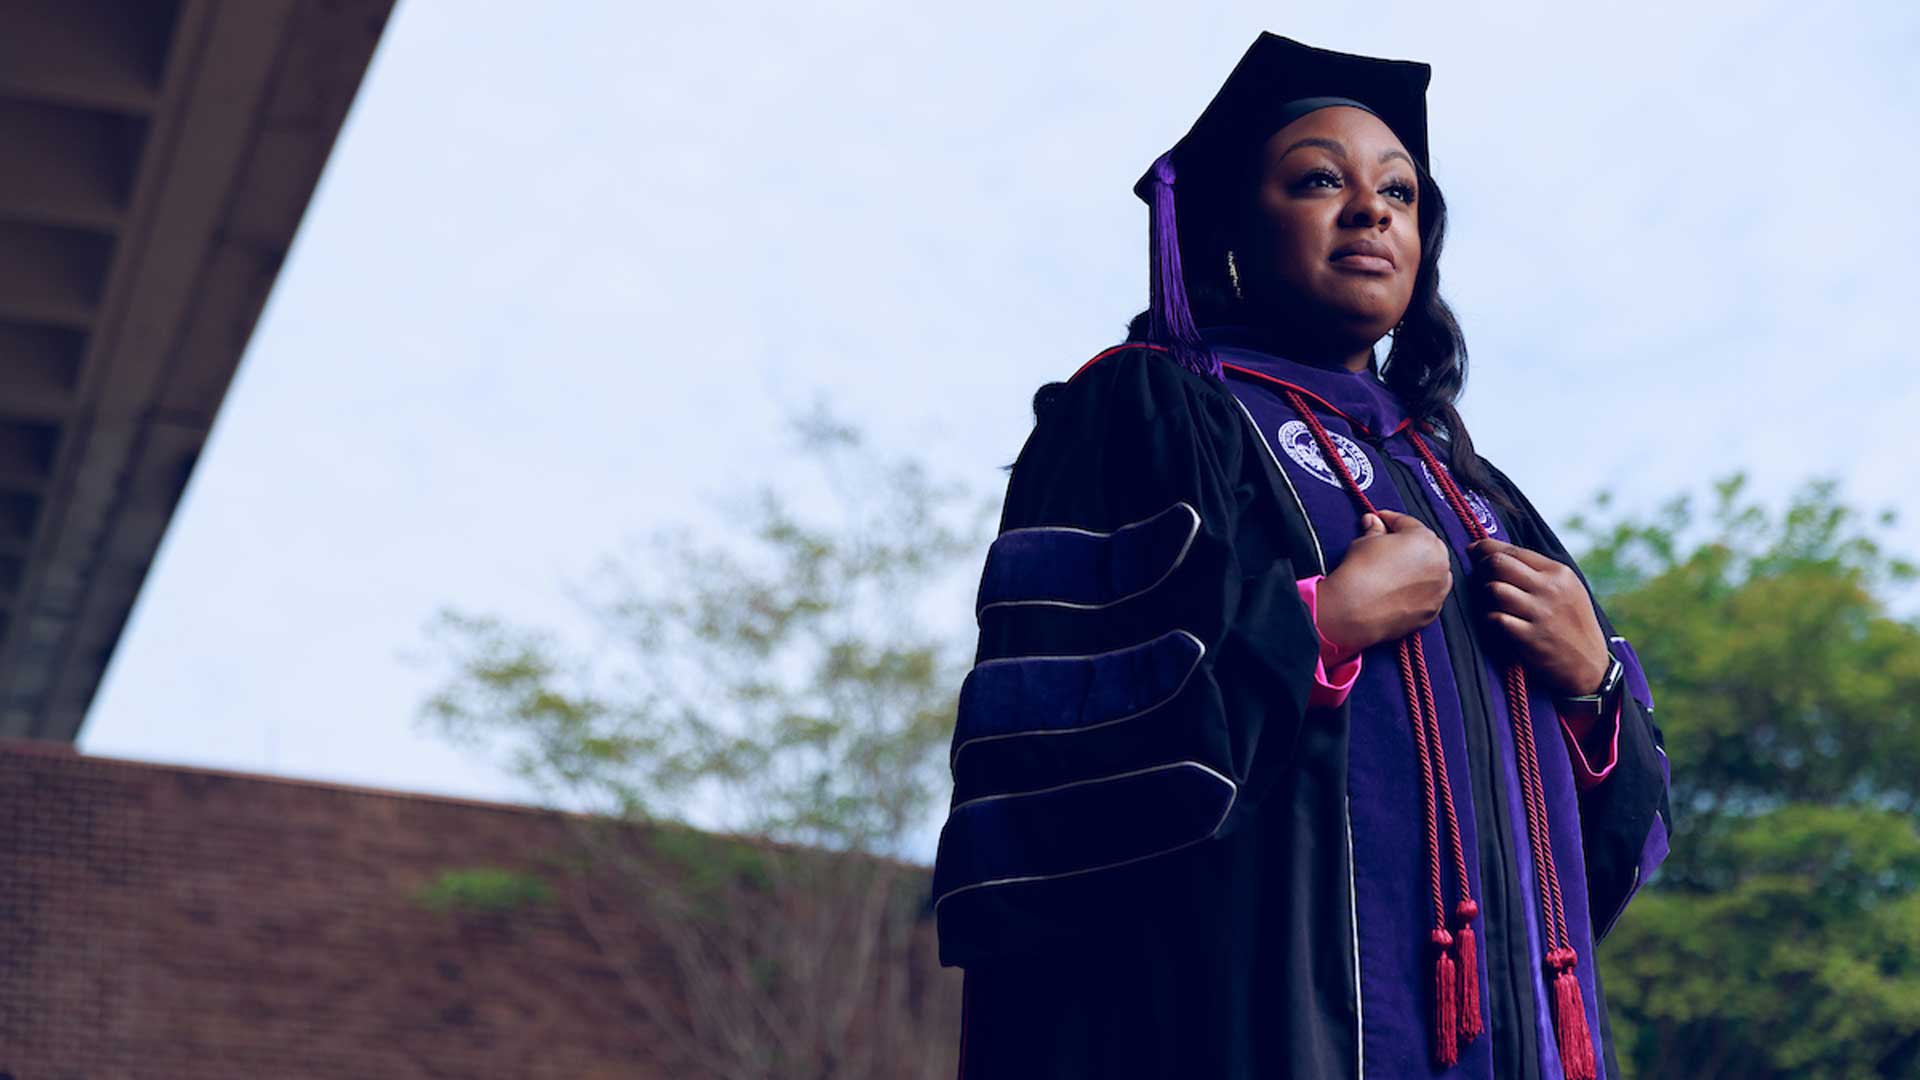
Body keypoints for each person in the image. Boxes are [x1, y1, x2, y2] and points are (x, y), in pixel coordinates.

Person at [929, 33, 1673, 1080]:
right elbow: (1055, 762)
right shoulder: (1155, 413)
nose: (1372, 208)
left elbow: (1591, 855)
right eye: (1320, 179)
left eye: (1402, 193)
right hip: (1259, 1019)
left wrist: (1595, 691)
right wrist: (1320, 624)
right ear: (1233, 226)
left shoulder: (1478, 493)